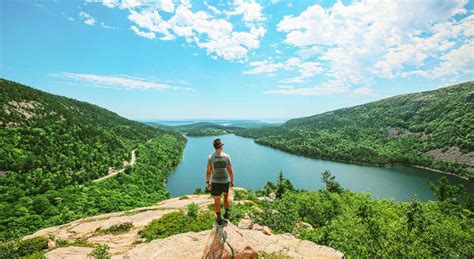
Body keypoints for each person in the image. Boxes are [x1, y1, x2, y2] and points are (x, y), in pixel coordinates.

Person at [206, 138, 234, 226]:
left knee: (216, 200)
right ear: (221, 146)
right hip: (225, 181)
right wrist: (232, 180)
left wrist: (207, 182)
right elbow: (230, 170)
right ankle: (226, 213)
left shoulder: (210, 157)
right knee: (226, 197)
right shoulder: (226, 156)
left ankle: (218, 217)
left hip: (215, 182)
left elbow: (208, 171)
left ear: (215, 147)